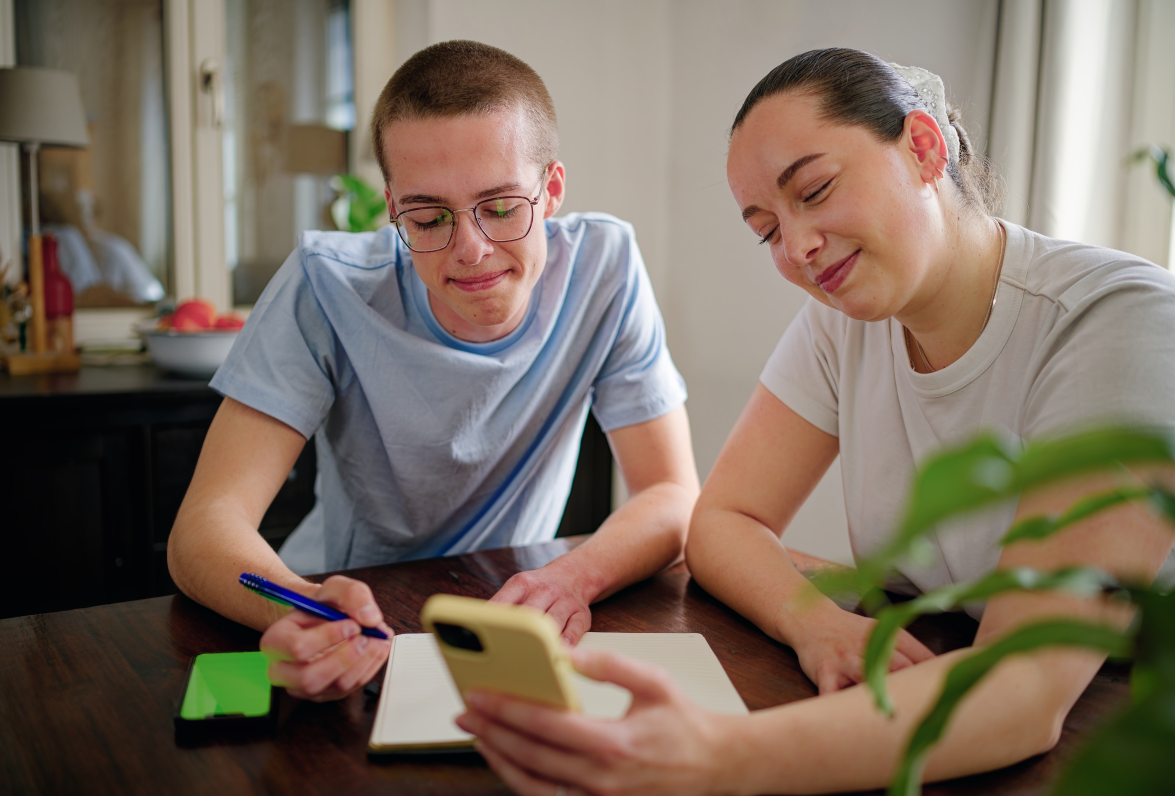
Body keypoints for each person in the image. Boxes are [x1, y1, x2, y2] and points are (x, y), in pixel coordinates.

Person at [457, 48, 1175, 794]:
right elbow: (722, 521)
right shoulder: (847, 320)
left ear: (924, 148)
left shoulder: (1121, 322)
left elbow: (1024, 689)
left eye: (816, 190)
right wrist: (817, 624)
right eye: (767, 229)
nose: (797, 248)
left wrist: (715, 757)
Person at [166, 40, 699, 703]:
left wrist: (574, 577)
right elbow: (203, 528)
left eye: (501, 207)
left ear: (553, 189)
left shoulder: (606, 268)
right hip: (347, 611)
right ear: (393, 209)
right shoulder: (325, 285)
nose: (471, 250)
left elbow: (672, 495)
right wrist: (298, 611)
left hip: (515, 611)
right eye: (428, 217)